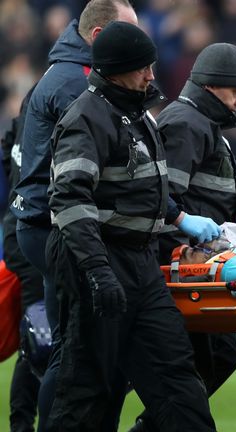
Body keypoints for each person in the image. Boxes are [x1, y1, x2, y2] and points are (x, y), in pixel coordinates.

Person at [46, 21, 219, 431]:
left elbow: (146, 193)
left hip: (139, 264)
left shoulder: (137, 116)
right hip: (99, 260)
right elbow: (70, 200)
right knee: (89, 390)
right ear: (116, 69)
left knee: (178, 380)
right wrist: (97, 271)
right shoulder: (85, 120)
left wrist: (178, 218)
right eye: (142, 67)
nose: (151, 75)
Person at [9, 1, 139, 429]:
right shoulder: (74, 84)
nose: (140, 48)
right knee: (78, 346)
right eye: (130, 36)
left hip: (41, 222)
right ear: (101, 38)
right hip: (54, 224)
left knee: (69, 344)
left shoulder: (66, 72)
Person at [125, 42, 236, 432]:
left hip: (201, 265)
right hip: (182, 270)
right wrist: (186, 238)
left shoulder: (199, 122)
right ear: (214, 86)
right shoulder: (186, 123)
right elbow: (163, 200)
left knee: (221, 356)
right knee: (196, 368)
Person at [2, 85, 45, 432]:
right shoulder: (42, 128)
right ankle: (21, 423)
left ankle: (22, 422)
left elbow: (5, 156)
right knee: (39, 334)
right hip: (30, 237)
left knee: (39, 332)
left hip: (17, 230)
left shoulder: (21, 122)